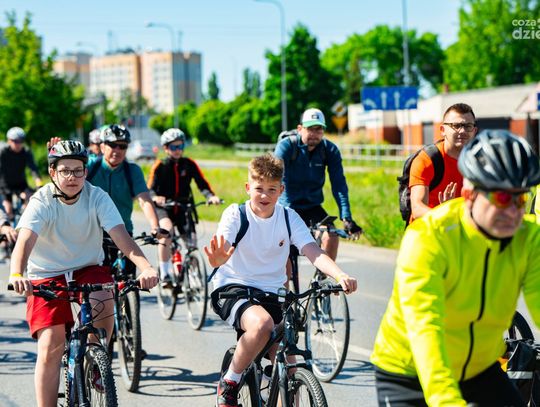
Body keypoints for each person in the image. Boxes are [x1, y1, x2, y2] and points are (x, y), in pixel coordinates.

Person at [371, 130, 540, 407]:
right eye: (502, 198)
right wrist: (445, 400)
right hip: (410, 371)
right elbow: (426, 328)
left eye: (520, 199)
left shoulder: (528, 237)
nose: (513, 212)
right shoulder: (430, 237)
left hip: (478, 368)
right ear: (470, 195)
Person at [8, 140, 159, 407]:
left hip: (87, 267)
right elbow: (25, 241)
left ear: (86, 171)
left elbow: (122, 238)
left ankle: (96, 359)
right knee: (51, 346)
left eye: (78, 170)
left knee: (105, 297)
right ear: (52, 172)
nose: (72, 177)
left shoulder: (97, 196)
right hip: (46, 273)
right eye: (65, 170)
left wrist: (146, 266)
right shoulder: (41, 200)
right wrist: (17, 274)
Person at [204, 153, 358, 407]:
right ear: (248, 188)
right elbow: (223, 247)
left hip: (272, 294)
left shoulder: (288, 217)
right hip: (233, 289)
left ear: (281, 191)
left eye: (272, 189)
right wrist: (218, 259)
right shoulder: (235, 214)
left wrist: (339, 274)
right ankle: (229, 381)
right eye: (259, 189)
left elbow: (313, 251)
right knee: (262, 324)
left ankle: (274, 386)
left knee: (289, 366)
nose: (264, 196)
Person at [274, 108, 362, 262]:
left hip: (312, 206)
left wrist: (346, 217)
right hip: (288, 205)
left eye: (319, 129)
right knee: (286, 250)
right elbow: (277, 179)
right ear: (300, 129)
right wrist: (283, 212)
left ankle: (323, 275)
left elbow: (339, 185)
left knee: (331, 235)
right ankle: (286, 277)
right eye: (310, 129)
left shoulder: (329, 150)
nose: (314, 134)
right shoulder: (287, 146)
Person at [85, 124, 167, 274]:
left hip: (123, 230)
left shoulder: (132, 171)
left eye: (122, 146)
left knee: (129, 277)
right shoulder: (91, 167)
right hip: (93, 232)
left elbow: (144, 200)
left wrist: (155, 226)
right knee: (96, 278)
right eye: (112, 145)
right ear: (102, 147)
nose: (117, 150)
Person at [147, 128, 221, 282]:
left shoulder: (189, 164)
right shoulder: (160, 165)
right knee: (166, 232)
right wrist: (155, 197)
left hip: (183, 207)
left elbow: (202, 183)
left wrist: (211, 196)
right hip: (164, 208)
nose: (177, 150)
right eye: (173, 147)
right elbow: (150, 189)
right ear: (165, 148)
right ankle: (165, 273)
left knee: (191, 243)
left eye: (180, 146)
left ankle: (194, 276)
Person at [409, 103, 478, 223]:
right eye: (456, 126)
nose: (462, 131)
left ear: (474, 131)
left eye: (468, 126)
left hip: (462, 226)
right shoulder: (427, 159)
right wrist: (444, 213)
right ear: (442, 130)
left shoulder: (479, 161)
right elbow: (417, 208)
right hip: (428, 229)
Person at [0, 126, 42, 221]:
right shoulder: (3, 152)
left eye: (21, 141)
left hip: (20, 183)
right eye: (15, 141)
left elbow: (34, 170)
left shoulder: (26, 152)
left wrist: (39, 184)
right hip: (5, 185)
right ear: (9, 141)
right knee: (8, 211)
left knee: (29, 204)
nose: (18, 144)